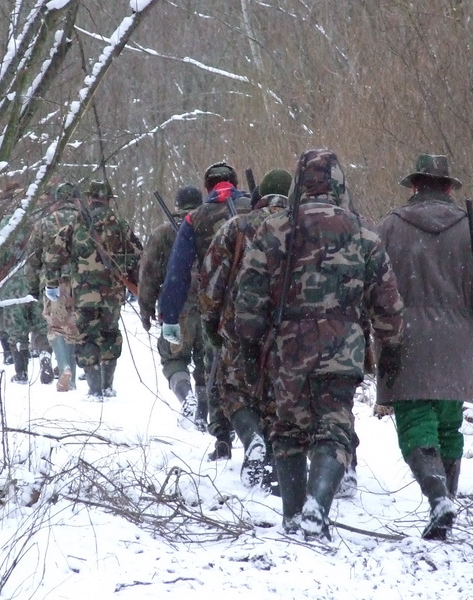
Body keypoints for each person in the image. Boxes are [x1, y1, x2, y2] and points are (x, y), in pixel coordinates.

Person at [235, 149, 404, 540]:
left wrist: (249, 347)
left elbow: (248, 298)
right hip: (343, 349)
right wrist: (391, 347)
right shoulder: (363, 233)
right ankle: (318, 506)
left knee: (287, 429)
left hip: (287, 350)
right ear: (339, 184)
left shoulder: (274, 228)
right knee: (334, 428)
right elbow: (388, 305)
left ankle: (294, 516)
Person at [374, 154, 473, 540]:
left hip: (403, 340)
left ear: (414, 186)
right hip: (458, 343)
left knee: (415, 421)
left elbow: (364, 279)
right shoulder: (472, 230)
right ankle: (446, 503)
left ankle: (439, 500)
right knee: (449, 424)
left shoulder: (389, 227)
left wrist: (368, 329)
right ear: (450, 189)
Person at [199, 168, 292, 490]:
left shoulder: (236, 226)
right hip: (289, 329)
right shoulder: (303, 227)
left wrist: (211, 325)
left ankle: (252, 440)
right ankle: (278, 461)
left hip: (239, 325)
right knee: (279, 396)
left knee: (234, 391)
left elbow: (211, 281)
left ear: (259, 195)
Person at [159, 161, 251, 460]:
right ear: (236, 183)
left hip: (216, 310)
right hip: (259, 308)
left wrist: (169, 315)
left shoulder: (195, 219)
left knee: (216, 372)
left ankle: (222, 438)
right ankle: (258, 436)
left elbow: (177, 273)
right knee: (257, 374)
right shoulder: (256, 208)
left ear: (207, 188)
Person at [43, 180, 142, 400]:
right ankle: (107, 386)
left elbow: (52, 256)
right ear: (108, 199)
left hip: (83, 294)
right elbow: (138, 256)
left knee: (87, 336)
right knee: (110, 334)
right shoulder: (121, 225)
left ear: (89, 198)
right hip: (112, 294)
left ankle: (94, 389)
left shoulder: (76, 223)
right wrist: (133, 282)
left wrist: (52, 283)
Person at [138, 185, 207, 428]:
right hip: (209, 307)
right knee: (207, 362)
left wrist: (146, 308)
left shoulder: (163, 233)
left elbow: (148, 275)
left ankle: (186, 399)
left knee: (173, 358)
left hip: (176, 311)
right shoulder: (211, 229)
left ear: (177, 206)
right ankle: (203, 411)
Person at [0, 182, 53, 385]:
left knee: (17, 330)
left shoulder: (6, 225)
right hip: (37, 282)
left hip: (12, 286)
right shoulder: (43, 222)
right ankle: (45, 357)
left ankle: (21, 373)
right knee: (42, 326)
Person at [27, 181, 83, 392]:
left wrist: (33, 287)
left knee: (57, 327)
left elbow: (33, 259)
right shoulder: (85, 221)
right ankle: (73, 376)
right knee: (74, 326)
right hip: (80, 281)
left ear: (56, 200)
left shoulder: (44, 223)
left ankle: (65, 367)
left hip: (53, 282)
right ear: (75, 199)